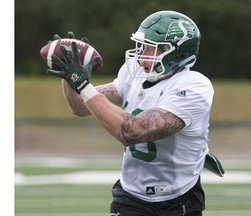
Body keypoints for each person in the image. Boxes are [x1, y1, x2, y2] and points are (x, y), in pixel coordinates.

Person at [46, 10, 220, 216]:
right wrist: (69, 71)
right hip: (130, 197)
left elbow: (133, 132)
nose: (141, 53)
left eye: (150, 48)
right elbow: (80, 107)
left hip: (177, 199)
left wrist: (84, 85)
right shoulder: (136, 73)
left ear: (176, 53)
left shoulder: (193, 86)